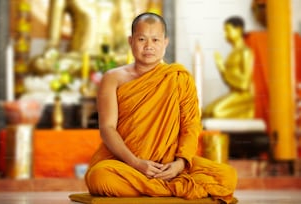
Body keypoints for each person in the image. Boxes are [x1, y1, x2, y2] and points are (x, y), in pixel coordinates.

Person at [85, 12, 237, 203]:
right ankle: (172, 189)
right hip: (126, 163)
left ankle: (158, 187)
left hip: (169, 165)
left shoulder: (179, 77)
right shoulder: (113, 78)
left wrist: (180, 164)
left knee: (227, 177)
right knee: (99, 177)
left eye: (155, 39)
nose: (149, 46)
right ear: (131, 41)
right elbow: (107, 128)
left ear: (165, 42)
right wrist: (136, 163)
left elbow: (190, 126)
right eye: (142, 39)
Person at [203, 16, 254, 118]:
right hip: (234, 93)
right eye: (224, 31)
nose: (225, 34)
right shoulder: (232, 54)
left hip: (244, 95)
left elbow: (244, 83)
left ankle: (245, 112)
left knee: (216, 113)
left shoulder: (245, 52)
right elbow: (228, 80)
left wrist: (222, 68)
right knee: (206, 112)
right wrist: (221, 69)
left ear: (238, 29)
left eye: (228, 30)